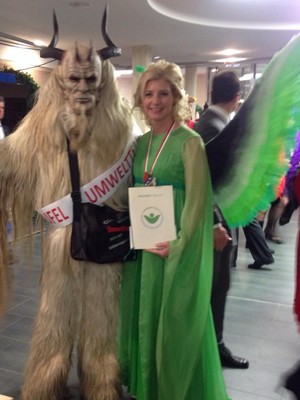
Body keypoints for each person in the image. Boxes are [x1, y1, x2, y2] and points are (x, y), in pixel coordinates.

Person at [119, 60, 230, 400]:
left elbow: (198, 200)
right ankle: (148, 386)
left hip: (174, 248)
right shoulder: (140, 144)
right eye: (149, 94)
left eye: (163, 93)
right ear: (141, 99)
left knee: (176, 320)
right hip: (144, 249)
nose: (155, 101)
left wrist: (179, 244)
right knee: (145, 316)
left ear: (176, 96)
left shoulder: (190, 142)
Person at [194, 70, 249, 368]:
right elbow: (204, 180)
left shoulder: (212, 123)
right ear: (236, 96)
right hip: (213, 223)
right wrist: (216, 222)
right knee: (215, 285)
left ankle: (214, 344)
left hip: (218, 220)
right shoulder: (213, 127)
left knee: (218, 285)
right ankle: (213, 346)